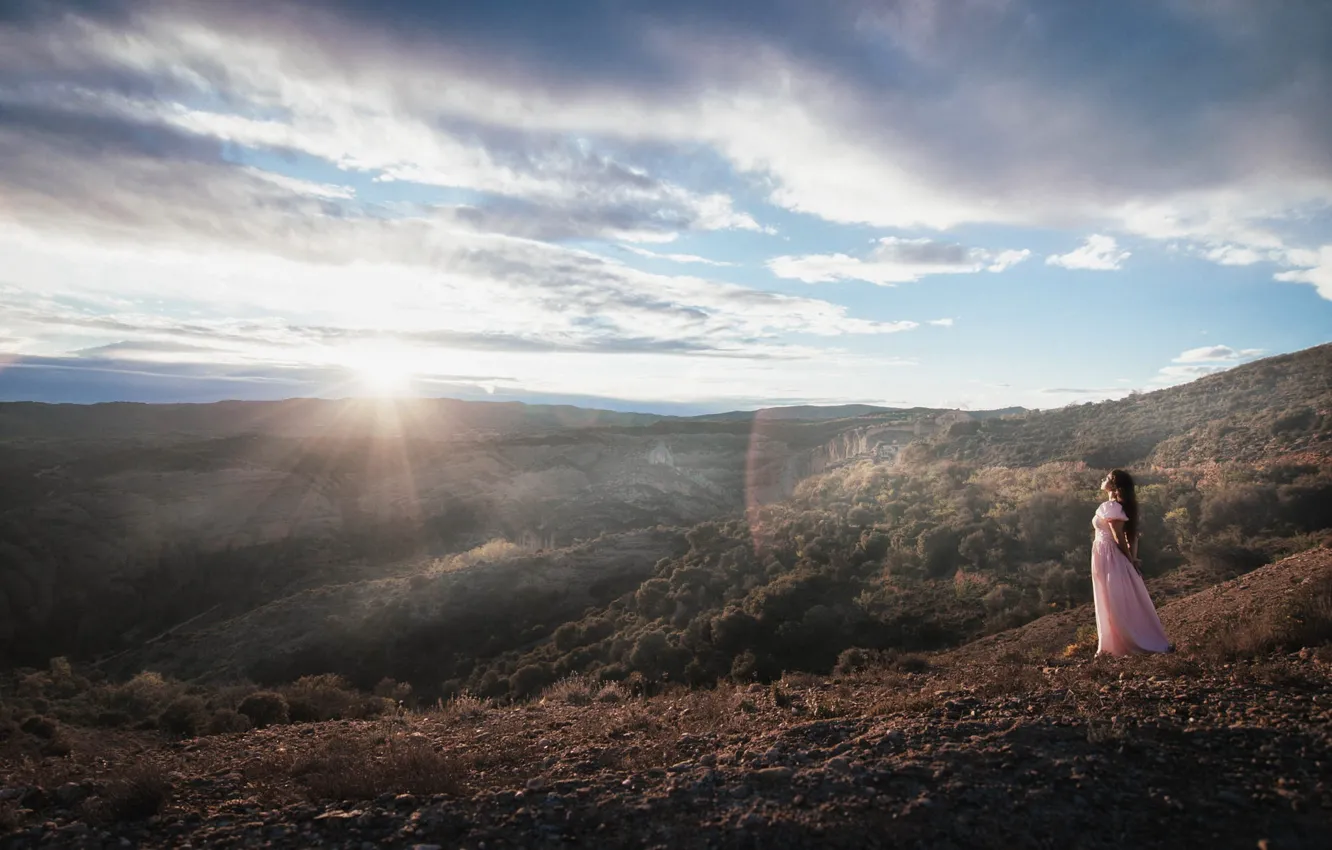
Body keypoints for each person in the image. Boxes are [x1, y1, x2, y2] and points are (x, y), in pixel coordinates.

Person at [1090, 469, 1171, 656]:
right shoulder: (1118, 506)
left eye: (1106, 478)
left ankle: (1126, 643)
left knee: (1113, 599)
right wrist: (1132, 558)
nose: (1102, 480)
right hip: (1106, 554)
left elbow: (1119, 536)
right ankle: (1116, 643)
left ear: (1114, 485)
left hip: (1109, 555)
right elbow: (1131, 538)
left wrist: (1130, 559)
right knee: (1111, 599)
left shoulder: (1111, 507)